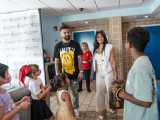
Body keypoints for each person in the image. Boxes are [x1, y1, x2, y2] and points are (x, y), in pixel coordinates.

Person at [118, 27, 159, 120]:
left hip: (141, 116)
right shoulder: (144, 60)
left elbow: (146, 102)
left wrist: (121, 94)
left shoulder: (139, 67)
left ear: (129, 44)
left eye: (125, 41)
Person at [54, 25, 83, 117]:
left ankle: (76, 110)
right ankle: (66, 110)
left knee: (75, 94)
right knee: (63, 94)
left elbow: (80, 59)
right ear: (61, 34)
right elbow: (57, 61)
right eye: (65, 32)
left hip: (74, 75)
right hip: (62, 77)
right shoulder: (58, 46)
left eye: (68, 32)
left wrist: (81, 71)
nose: (67, 34)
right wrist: (57, 73)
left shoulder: (75, 44)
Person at [90, 30, 118, 120]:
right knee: (100, 92)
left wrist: (116, 75)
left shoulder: (110, 47)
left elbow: (113, 61)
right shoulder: (95, 48)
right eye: (98, 37)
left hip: (108, 72)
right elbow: (94, 64)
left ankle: (113, 107)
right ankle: (103, 111)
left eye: (102, 36)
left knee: (110, 90)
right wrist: (91, 75)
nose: (100, 38)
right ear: (96, 39)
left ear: (104, 37)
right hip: (99, 73)